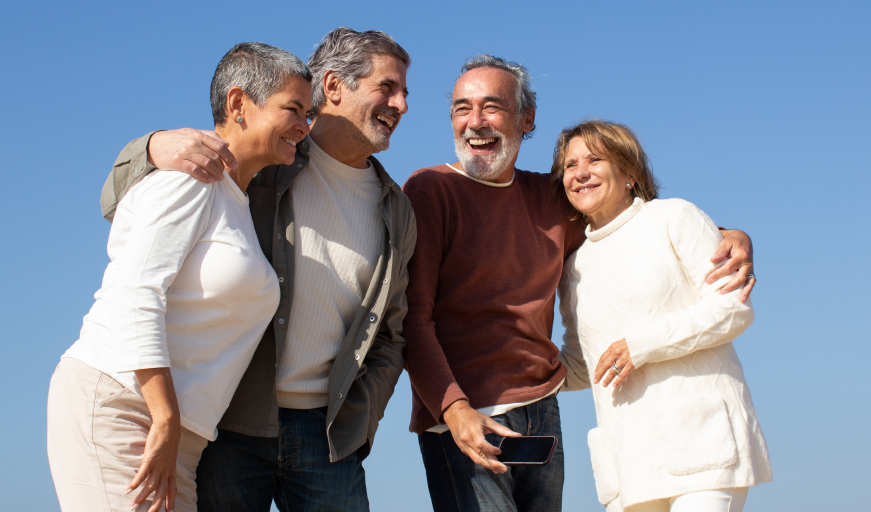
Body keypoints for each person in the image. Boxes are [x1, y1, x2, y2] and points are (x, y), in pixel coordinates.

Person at [401, 55, 758, 512]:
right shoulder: (430, 190)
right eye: (461, 108)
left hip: (542, 413)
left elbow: (628, 222)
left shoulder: (552, 200)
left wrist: (728, 234)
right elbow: (413, 317)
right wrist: (453, 411)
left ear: (526, 118)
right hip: (468, 415)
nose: (475, 122)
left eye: (492, 107)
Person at [99, 28, 415, 512]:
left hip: (327, 438)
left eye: (404, 92)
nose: (401, 105)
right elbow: (119, 198)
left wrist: (361, 420)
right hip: (230, 423)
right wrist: (153, 146)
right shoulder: (267, 156)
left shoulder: (398, 210)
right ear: (333, 87)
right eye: (387, 87)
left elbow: (391, 334)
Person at [47, 42, 312, 512]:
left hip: (181, 438)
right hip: (125, 407)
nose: (303, 127)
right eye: (293, 109)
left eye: (308, 114)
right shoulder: (188, 179)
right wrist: (165, 418)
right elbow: (135, 295)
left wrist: (175, 428)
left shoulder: (238, 205)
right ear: (237, 104)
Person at [553, 119, 772, 511]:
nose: (580, 172)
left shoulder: (675, 218)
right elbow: (584, 365)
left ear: (630, 173)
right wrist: (511, 368)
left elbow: (730, 309)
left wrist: (640, 346)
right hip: (627, 462)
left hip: (703, 447)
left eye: (595, 159)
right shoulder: (571, 269)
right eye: (570, 165)